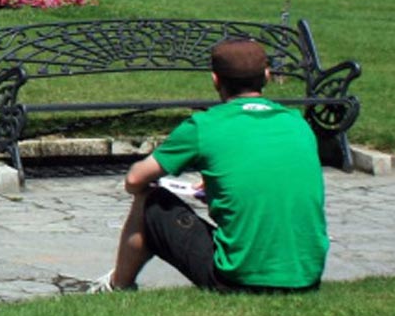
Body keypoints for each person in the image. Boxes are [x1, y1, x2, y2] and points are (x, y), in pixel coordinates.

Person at [81, 37, 328, 293]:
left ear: (215, 80)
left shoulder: (205, 127)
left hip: (238, 278)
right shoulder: (297, 124)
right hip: (307, 277)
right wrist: (216, 189)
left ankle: (118, 285)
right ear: (266, 75)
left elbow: (134, 180)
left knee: (150, 200)